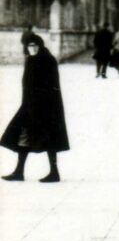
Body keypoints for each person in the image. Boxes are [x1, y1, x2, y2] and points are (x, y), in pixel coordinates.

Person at [1, 35, 69, 183]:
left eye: (35, 45)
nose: (33, 48)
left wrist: (41, 104)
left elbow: (51, 86)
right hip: (29, 107)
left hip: (46, 108)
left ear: (40, 45)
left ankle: (54, 172)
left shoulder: (47, 60)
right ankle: (19, 171)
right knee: (23, 137)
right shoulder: (30, 60)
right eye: (29, 46)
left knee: (49, 139)